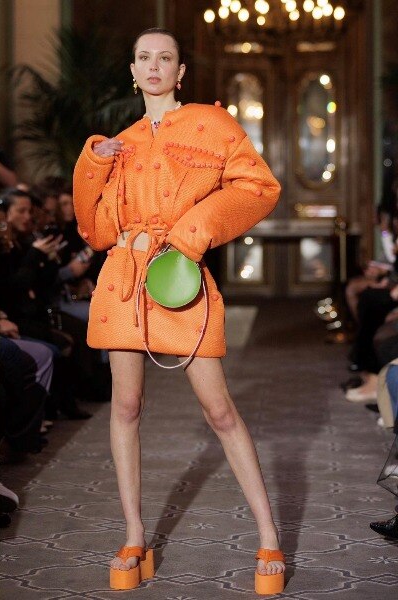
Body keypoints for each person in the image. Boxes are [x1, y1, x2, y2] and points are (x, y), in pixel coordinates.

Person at [72, 28, 285, 594]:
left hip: (180, 278)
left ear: (181, 71)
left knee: (219, 411)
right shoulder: (117, 140)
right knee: (126, 406)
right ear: (133, 70)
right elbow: (93, 231)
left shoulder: (212, 126)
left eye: (165, 57)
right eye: (144, 57)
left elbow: (259, 186)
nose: (155, 66)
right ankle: (134, 535)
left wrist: (193, 233)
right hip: (123, 281)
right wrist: (91, 162)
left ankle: (268, 536)